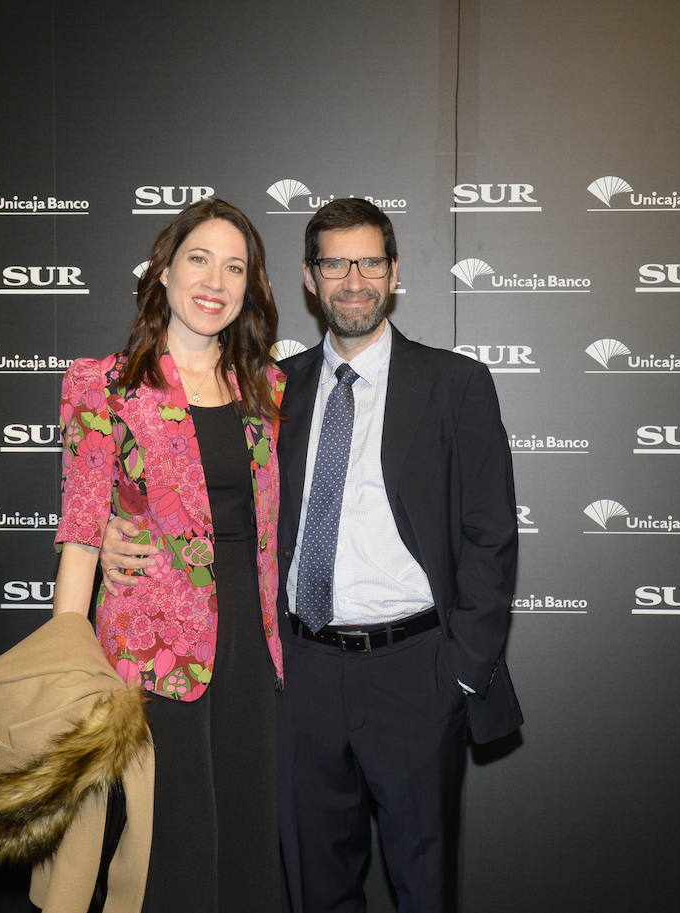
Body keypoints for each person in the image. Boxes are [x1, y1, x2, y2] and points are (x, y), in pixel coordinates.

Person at [102, 198, 522, 913]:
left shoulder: (454, 384)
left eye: (368, 262)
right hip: (300, 676)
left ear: (394, 273)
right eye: (334, 262)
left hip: (415, 672)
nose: (352, 279)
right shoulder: (269, 388)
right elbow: (202, 498)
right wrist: (118, 529)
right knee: (312, 887)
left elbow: (491, 532)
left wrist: (460, 670)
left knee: (425, 886)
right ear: (308, 277)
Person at [52, 198, 287, 912]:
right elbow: (83, 527)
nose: (215, 279)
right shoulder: (105, 384)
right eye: (199, 258)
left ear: (250, 289)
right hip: (152, 650)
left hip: (254, 648)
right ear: (164, 269)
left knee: (249, 840)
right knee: (168, 848)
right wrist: (67, 655)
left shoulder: (271, 389)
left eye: (235, 266)